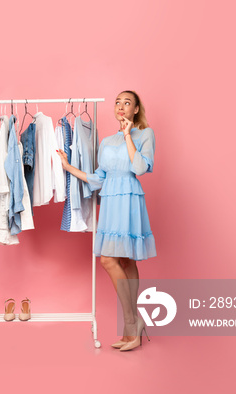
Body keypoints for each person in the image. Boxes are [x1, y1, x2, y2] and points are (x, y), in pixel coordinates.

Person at [57, 90, 156, 351]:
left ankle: (131, 325)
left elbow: (139, 168)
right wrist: (68, 168)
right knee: (117, 259)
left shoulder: (145, 134)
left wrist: (127, 135)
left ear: (135, 110)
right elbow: (99, 177)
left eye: (127, 103)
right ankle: (133, 325)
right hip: (111, 201)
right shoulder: (106, 141)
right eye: (117, 102)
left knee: (120, 260)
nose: (121, 106)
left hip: (130, 200)